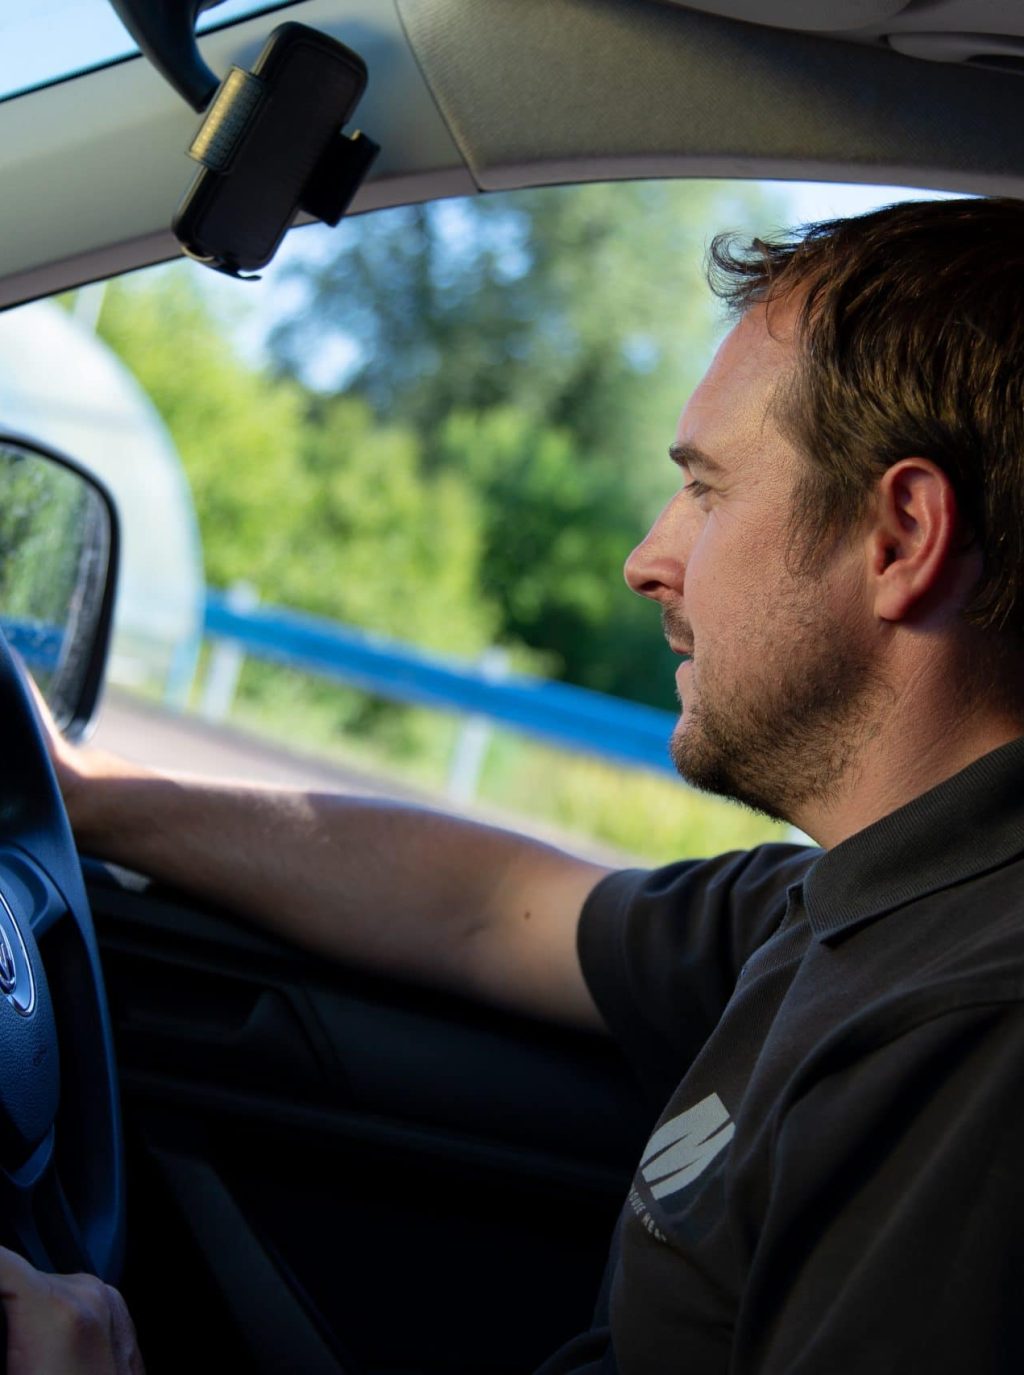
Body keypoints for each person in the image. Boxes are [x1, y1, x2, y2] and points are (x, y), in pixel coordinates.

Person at [12, 193, 1024, 1371]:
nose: (648, 559)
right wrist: (82, 790)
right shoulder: (853, 901)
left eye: (706, 490)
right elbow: (488, 905)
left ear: (901, 536)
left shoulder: (973, 1036)